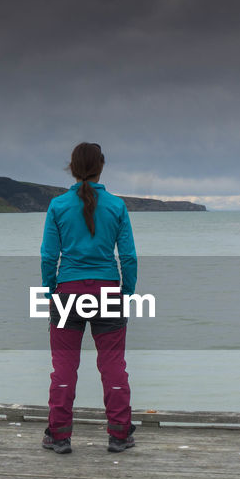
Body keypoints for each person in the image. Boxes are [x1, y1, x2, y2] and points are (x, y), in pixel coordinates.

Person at [39, 142, 137, 455]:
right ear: (101, 167)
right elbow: (129, 257)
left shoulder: (57, 206)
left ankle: (60, 435)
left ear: (72, 166)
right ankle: (119, 435)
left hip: (68, 291)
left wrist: (49, 290)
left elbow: (48, 256)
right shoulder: (117, 206)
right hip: (108, 289)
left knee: (64, 367)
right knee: (113, 366)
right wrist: (126, 291)